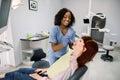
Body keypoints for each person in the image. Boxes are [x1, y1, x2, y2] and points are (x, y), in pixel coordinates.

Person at [0, 36, 98, 80]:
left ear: (84, 49)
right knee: (21, 69)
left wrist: (41, 78)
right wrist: (45, 70)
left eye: (80, 41)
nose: (77, 40)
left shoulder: (73, 64)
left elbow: (59, 78)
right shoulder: (71, 53)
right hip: (46, 73)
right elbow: (57, 66)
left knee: (14, 76)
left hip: (45, 78)